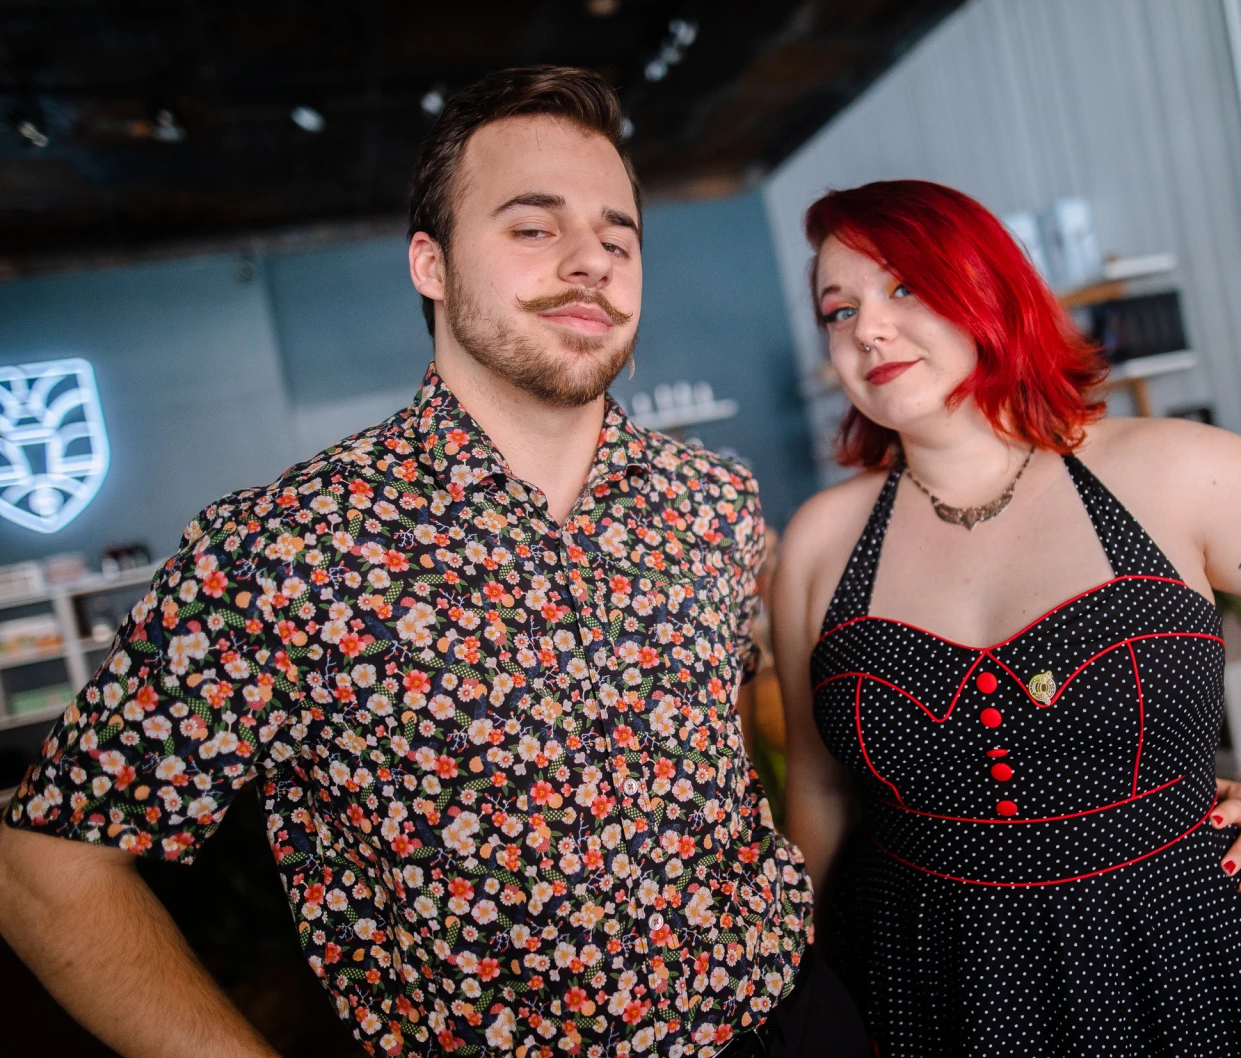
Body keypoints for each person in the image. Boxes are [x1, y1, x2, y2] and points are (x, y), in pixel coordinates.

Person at [0, 66, 869, 1058]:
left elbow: (736, 735)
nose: (591, 260)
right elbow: (43, 866)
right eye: (532, 227)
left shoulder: (711, 499)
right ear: (432, 263)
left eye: (618, 237)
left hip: (791, 1020)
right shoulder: (287, 547)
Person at [771, 179, 1241, 1057]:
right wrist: (799, 984)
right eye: (839, 309)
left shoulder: (1173, 472)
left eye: (905, 286)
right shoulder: (820, 542)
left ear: (987, 285)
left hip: (1186, 950)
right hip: (927, 978)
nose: (868, 330)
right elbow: (819, 790)